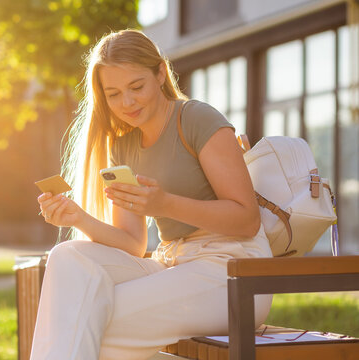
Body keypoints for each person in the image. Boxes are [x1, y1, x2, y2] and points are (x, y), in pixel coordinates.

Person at [33, 29, 273, 360]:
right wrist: (80, 218)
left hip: (232, 269)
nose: (127, 103)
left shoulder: (196, 119)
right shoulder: (124, 146)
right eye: (114, 94)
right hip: (172, 264)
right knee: (68, 256)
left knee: (87, 321)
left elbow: (247, 219)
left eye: (136, 87)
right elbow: (133, 243)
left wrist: (166, 204)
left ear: (160, 73)